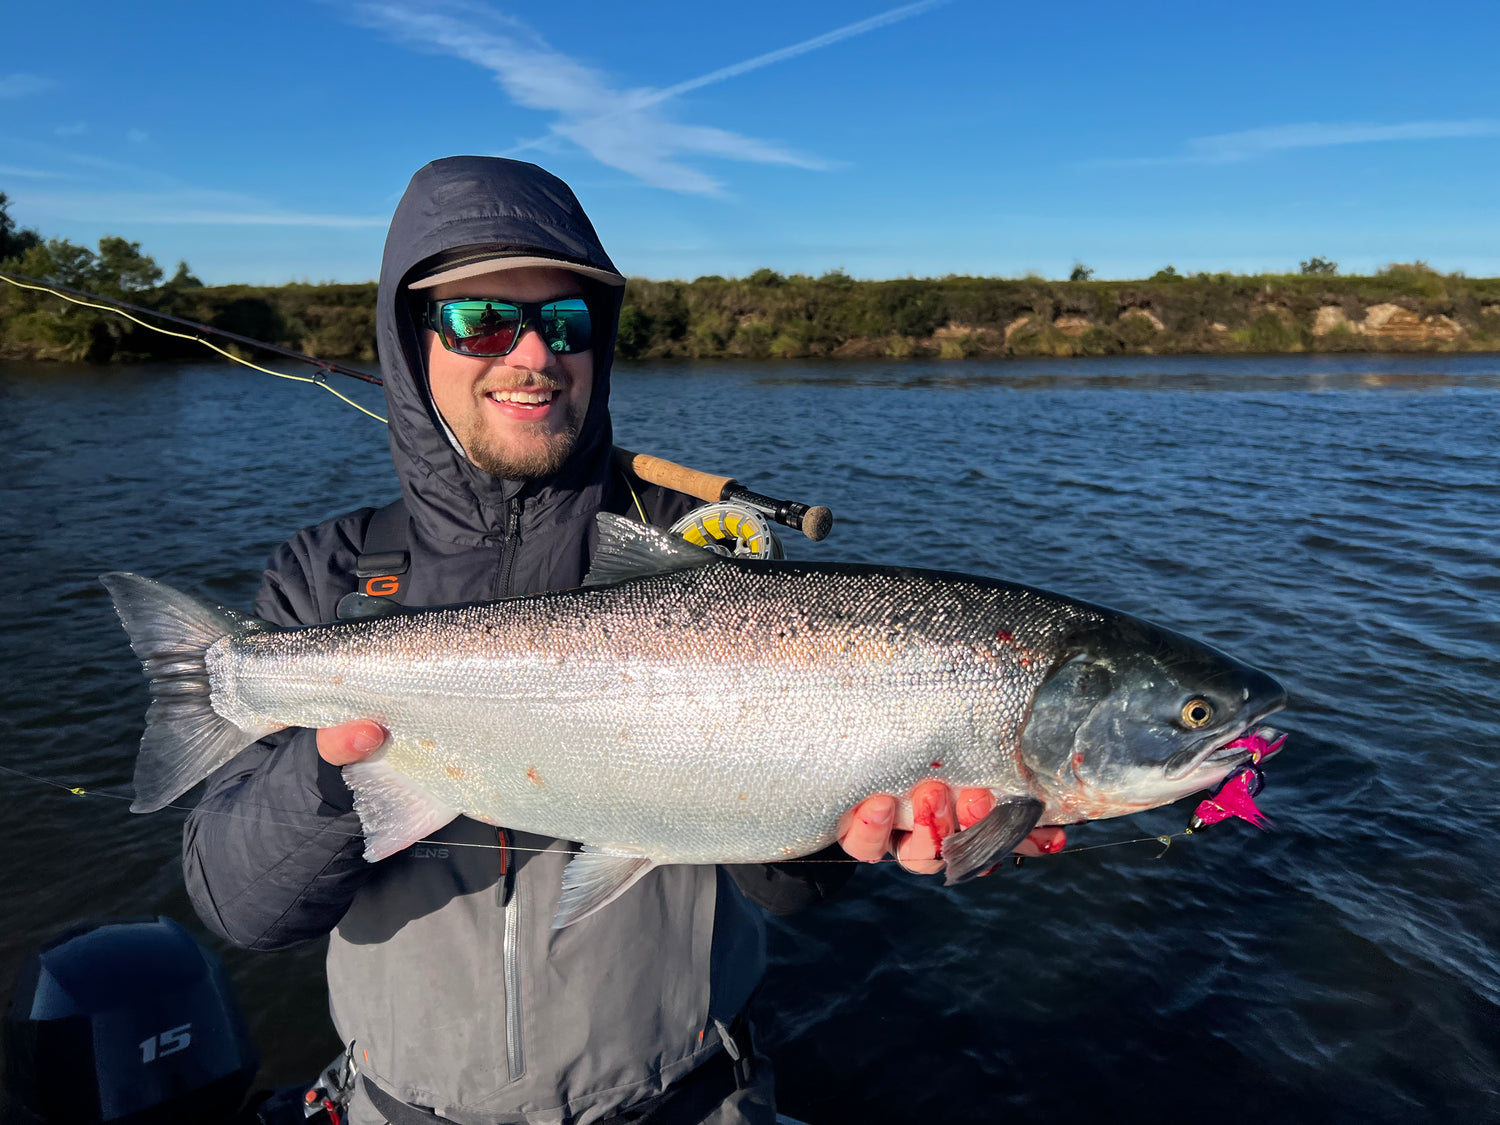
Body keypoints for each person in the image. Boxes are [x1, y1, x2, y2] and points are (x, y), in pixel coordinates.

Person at [183, 156, 1061, 1125]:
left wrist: (852, 823)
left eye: (566, 323)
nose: (531, 355)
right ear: (410, 339)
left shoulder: (703, 552)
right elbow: (241, 911)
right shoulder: (325, 572)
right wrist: (329, 775)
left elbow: (784, 888)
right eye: (481, 319)